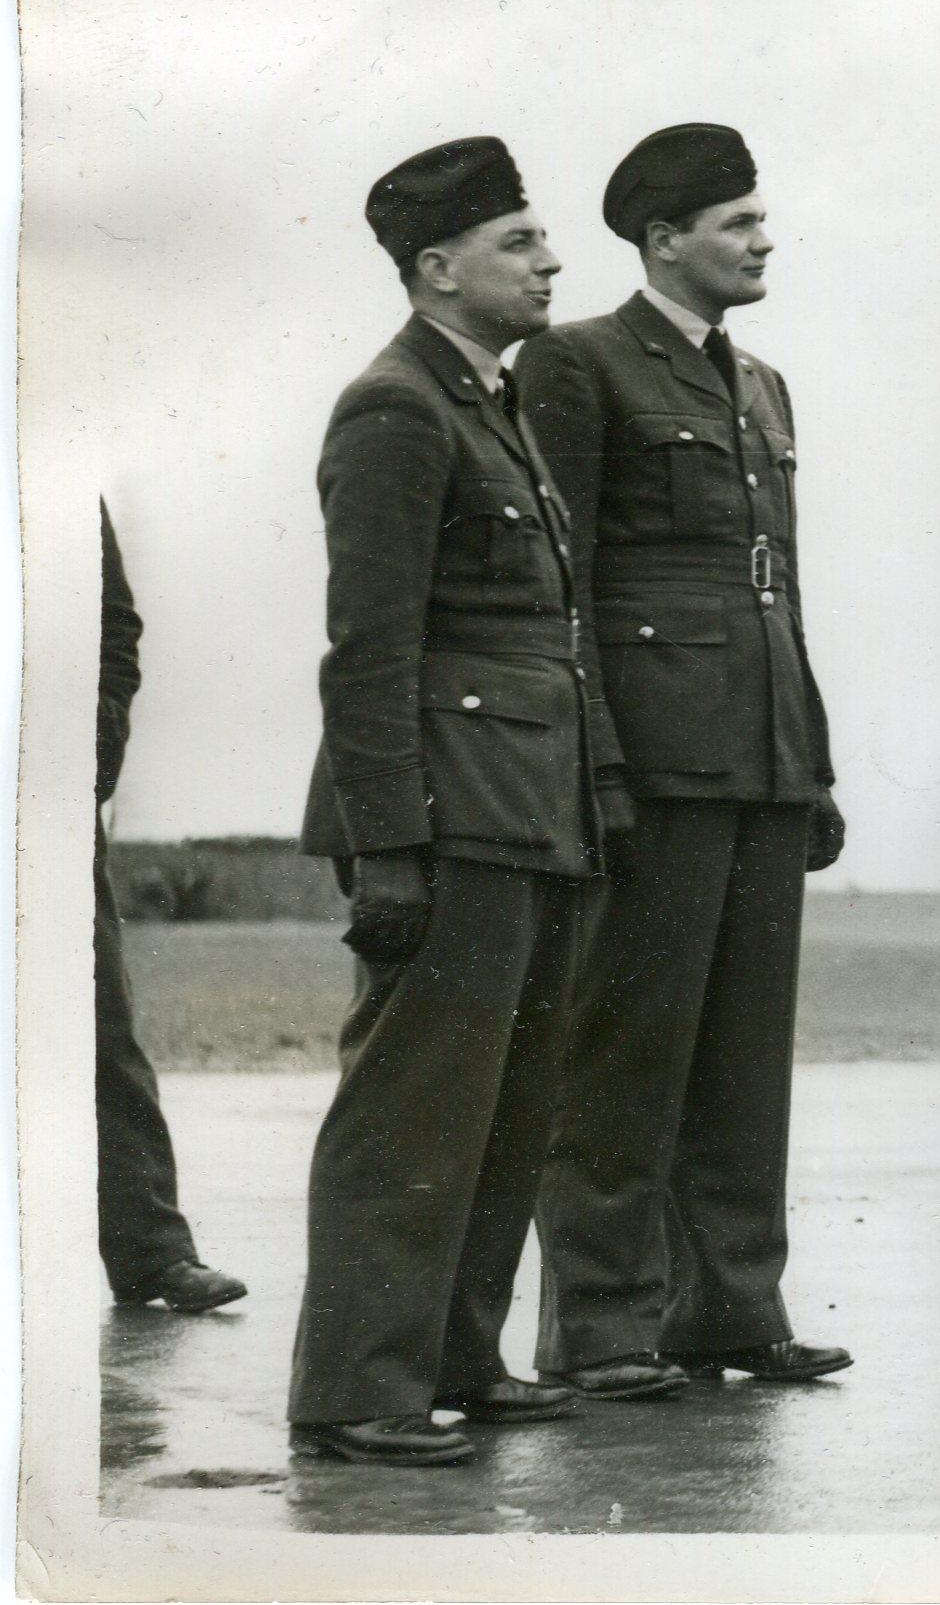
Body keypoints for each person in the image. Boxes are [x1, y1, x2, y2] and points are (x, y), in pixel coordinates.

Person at [291, 137, 619, 1465]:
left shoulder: (491, 401)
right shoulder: (395, 408)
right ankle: (359, 1390)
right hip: (447, 811)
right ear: (437, 268)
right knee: (413, 1106)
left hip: (527, 805)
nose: (550, 262)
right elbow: (367, 648)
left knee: (508, 1104)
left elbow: (555, 628)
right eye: (520, 243)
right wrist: (390, 848)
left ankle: (456, 1356)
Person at [524, 124, 850, 1395]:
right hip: (655, 764)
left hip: (760, 759)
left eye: (761, 222)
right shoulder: (580, 365)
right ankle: (602, 1323)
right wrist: (593, 765)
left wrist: (809, 760)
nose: (764, 240)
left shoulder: (763, 388)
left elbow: (783, 589)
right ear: (665, 240)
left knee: (743, 1055)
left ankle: (729, 1307)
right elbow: (565, 586)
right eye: (739, 224)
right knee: (625, 1047)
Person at [94, 503, 246, 1317]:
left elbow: (115, 629)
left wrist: (94, 747)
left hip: (41, 792)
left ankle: (152, 1252)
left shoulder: (59, 471)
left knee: (98, 1029)